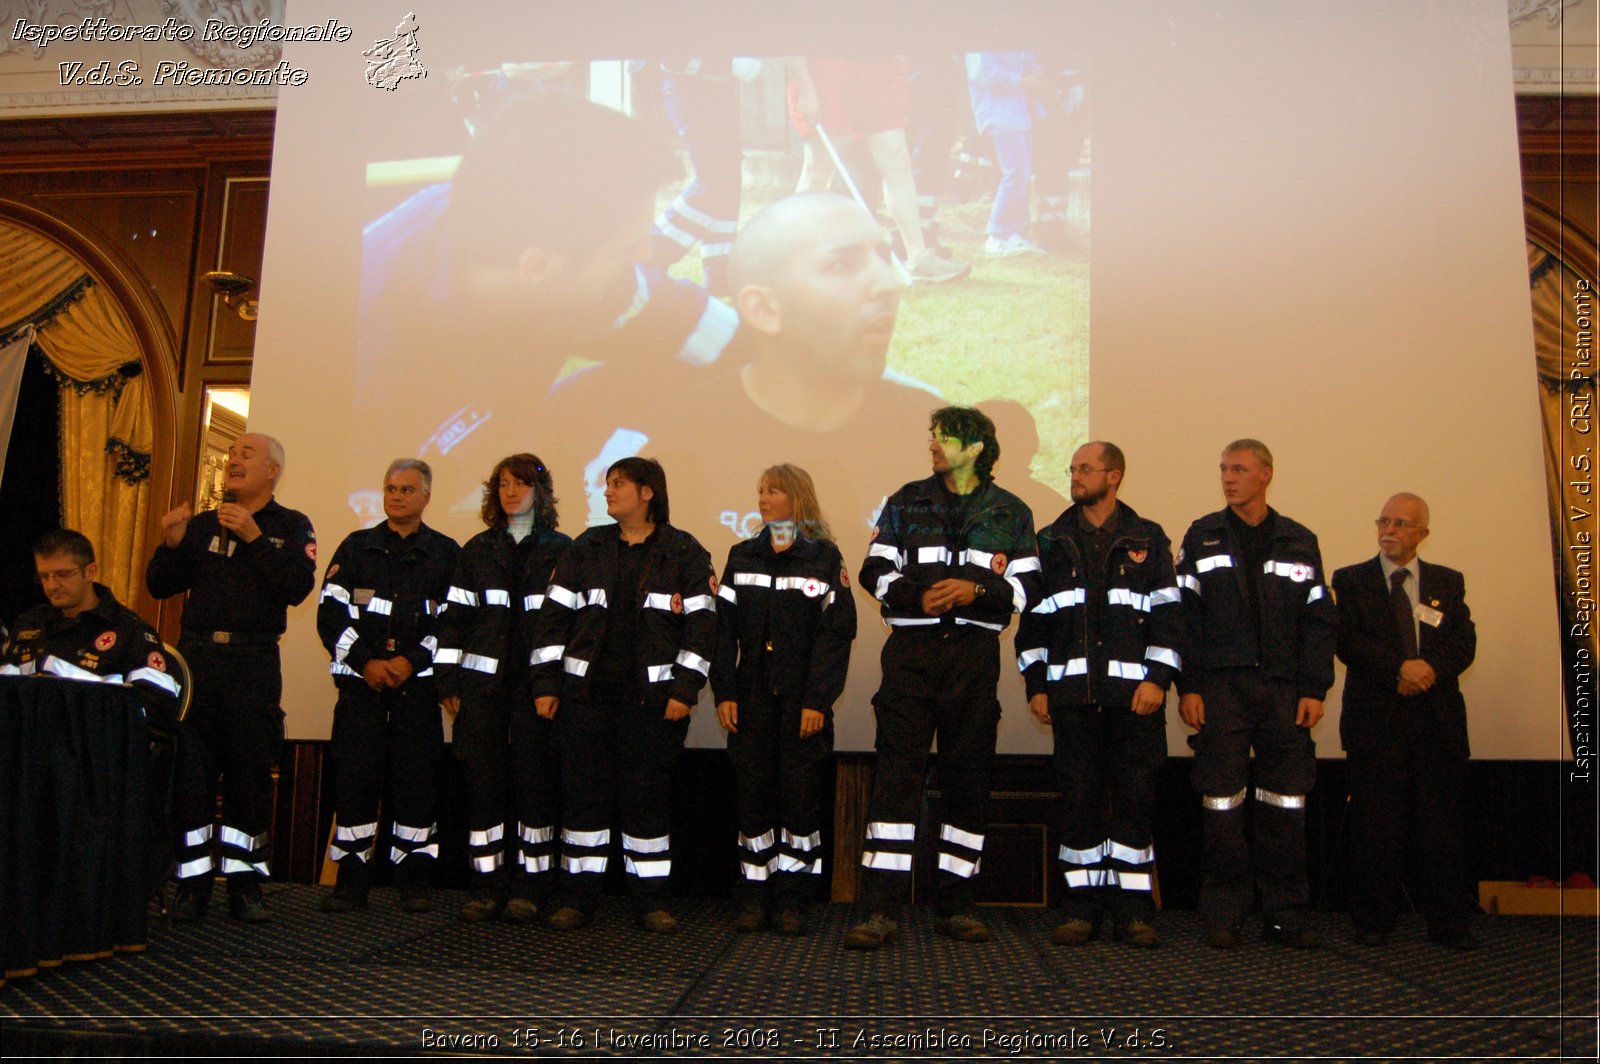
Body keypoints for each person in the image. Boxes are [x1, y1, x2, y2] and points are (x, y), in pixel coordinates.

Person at [548, 191, 939, 546]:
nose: (886, 283)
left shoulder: (942, 438)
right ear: (763, 308)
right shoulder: (652, 455)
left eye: (885, 258)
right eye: (840, 265)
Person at [845, 406, 1041, 949]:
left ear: (976, 447)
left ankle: (957, 906)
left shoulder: (1011, 512)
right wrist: (916, 594)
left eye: (943, 437)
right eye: (931, 435)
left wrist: (978, 591)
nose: (932, 443)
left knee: (967, 783)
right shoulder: (906, 500)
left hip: (974, 661)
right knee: (895, 783)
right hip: (911, 656)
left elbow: (1029, 589)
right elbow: (874, 568)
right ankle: (879, 910)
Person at [531, 457, 716, 933]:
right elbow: (552, 623)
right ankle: (579, 899)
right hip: (585, 702)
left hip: (653, 707)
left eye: (618, 484)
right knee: (583, 804)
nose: (608, 492)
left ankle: (651, 900)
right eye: (607, 484)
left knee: (646, 803)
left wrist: (684, 691)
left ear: (648, 492)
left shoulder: (684, 552)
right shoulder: (585, 548)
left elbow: (702, 631)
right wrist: (547, 685)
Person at [1015, 442, 1183, 948]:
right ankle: (1081, 909)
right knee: (1079, 804)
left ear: (1114, 476)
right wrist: (1037, 685)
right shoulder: (1050, 541)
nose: (1075, 476)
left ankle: (1133, 912)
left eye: (1085, 469)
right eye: (1073, 469)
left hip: (1136, 702)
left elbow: (1170, 618)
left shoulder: (1148, 539)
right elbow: (1034, 626)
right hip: (1071, 703)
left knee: (1134, 803)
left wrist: (1157, 679)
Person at [147, 432, 317, 923]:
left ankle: (245, 886)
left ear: (272, 471)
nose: (233, 460)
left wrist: (255, 538)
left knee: (248, 778)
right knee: (191, 779)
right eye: (231, 454)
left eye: (246, 454)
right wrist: (172, 543)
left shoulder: (291, 526)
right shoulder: (202, 525)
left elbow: (296, 588)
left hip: (253, 665)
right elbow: (161, 585)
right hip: (199, 663)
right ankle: (191, 884)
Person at [1176, 439, 1336, 950]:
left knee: (1285, 807)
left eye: (1239, 469)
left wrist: (1314, 688)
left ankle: (1285, 913)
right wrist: (1190, 686)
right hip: (1221, 689)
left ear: (1266, 474)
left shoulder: (1299, 540)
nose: (1228, 478)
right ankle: (1223, 913)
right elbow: (1185, 619)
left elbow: (1318, 620)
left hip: (1285, 691)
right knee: (1221, 804)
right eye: (1223, 469)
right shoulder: (1202, 537)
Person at [712, 464, 857, 935]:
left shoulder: (823, 558)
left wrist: (818, 700)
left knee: (799, 805)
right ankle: (755, 896)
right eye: (759, 490)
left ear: (796, 499)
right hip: (751, 700)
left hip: (802, 706)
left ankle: (794, 900)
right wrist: (724, 692)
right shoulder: (743, 555)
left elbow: (836, 636)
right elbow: (721, 631)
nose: (763, 498)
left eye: (772, 491)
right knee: (753, 800)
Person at [1333, 493, 1479, 949]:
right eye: (1384, 520)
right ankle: (1373, 921)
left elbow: (1463, 641)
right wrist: (1399, 668)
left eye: (1400, 523)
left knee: (1440, 828)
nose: (1389, 529)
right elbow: (1348, 641)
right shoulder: (1351, 580)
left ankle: (1448, 923)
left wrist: (1427, 671)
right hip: (1377, 722)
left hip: (1435, 724)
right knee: (1377, 826)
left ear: (1422, 534)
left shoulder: (1447, 582)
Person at [316, 459, 460, 914]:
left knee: (417, 787)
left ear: (426, 497)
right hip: (362, 692)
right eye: (390, 488)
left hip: (417, 694)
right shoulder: (356, 548)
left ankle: (414, 882)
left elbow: (454, 623)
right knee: (355, 784)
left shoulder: (446, 553)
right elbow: (330, 616)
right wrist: (367, 663)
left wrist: (410, 661)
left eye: (406, 489)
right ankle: (351, 883)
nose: (396, 496)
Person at [433, 454, 571, 923]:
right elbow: (453, 621)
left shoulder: (562, 550)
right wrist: (447, 682)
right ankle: (487, 885)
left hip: (538, 692)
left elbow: (569, 627)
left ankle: (532, 887)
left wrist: (554, 684)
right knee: (484, 788)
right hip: (481, 691)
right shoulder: (477, 549)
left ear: (541, 492)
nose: (511, 492)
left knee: (536, 788)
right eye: (503, 485)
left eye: (520, 484)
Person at [788, 55, 971, 284]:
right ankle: (794, 260)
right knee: (817, 170)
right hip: (831, 66)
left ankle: (918, 257)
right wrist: (806, 88)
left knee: (897, 161)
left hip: (881, 66)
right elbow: (791, 35)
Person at [2, 528, 180, 725]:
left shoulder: (129, 631)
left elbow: (157, 705)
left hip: (92, 743)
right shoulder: (29, 623)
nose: (52, 586)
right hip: (27, 741)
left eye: (63, 574)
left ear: (90, 572)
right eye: (44, 576)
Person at [965, 52, 1047, 257]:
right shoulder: (982, 35)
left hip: (1020, 114)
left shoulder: (1012, 33)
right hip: (999, 114)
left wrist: (1036, 74)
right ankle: (996, 236)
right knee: (1015, 175)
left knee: (1022, 176)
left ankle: (1014, 234)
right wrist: (1023, 81)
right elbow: (983, 72)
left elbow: (1027, 61)